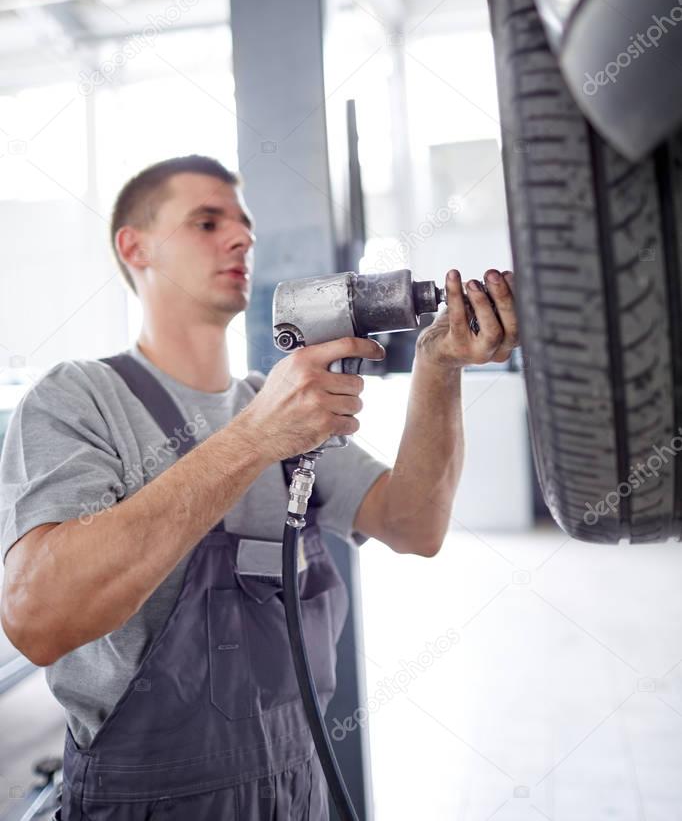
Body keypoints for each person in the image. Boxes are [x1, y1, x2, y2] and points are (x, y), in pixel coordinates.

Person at [0, 154, 519, 820]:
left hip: (295, 789)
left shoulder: (273, 402)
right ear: (136, 246)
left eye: (243, 224)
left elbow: (414, 524)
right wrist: (254, 439)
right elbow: (38, 617)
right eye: (207, 221)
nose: (241, 238)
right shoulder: (79, 397)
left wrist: (439, 366)